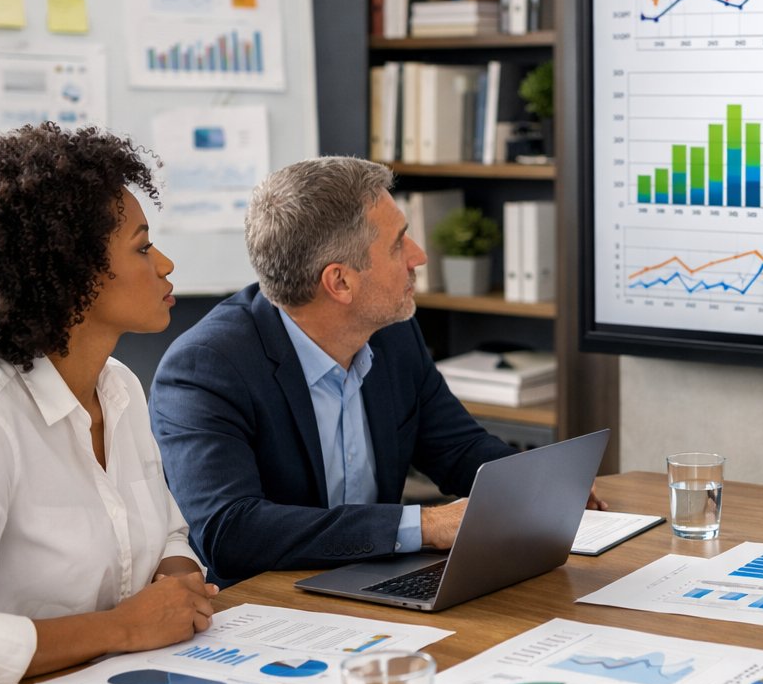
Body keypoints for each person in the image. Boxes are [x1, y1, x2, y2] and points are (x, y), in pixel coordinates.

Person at [150, 157, 601, 584]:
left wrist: (543, 485)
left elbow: (458, 448)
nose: (419, 256)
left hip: (378, 585)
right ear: (340, 282)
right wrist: (425, 524)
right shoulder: (205, 368)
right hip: (269, 610)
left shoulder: (390, 333)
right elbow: (231, 532)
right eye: (398, 242)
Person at [0, 124, 216, 684]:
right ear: (72, 271)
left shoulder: (119, 387)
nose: (166, 264)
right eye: (144, 247)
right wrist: (125, 627)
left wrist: (177, 577)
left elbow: (166, 531)